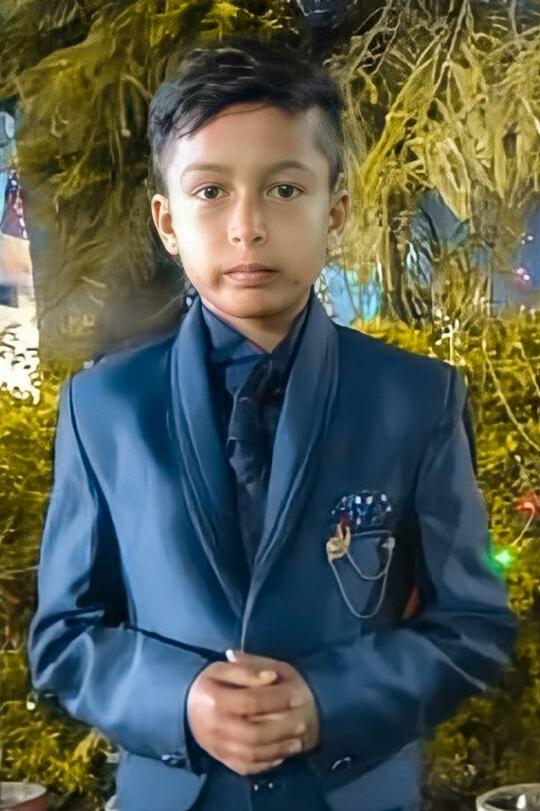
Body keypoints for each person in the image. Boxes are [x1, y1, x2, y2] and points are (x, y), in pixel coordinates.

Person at [27, 35, 518, 811]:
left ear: (336, 211)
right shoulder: (105, 407)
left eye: (285, 189)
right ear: (166, 221)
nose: (247, 226)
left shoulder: (415, 398)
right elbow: (64, 636)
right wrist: (181, 697)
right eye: (210, 191)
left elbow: (473, 624)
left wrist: (330, 698)